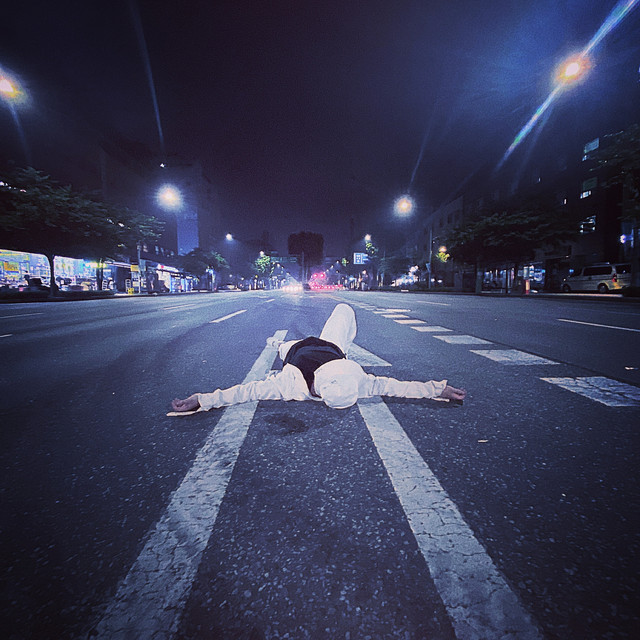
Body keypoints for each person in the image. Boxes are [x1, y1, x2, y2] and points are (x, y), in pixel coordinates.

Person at [171, 303, 466, 414]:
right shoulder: (360, 381)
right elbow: (398, 386)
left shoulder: (288, 385)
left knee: (280, 346)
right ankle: (282, 343)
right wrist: (438, 389)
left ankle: (275, 343)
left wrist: (202, 399)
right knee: (344, 308)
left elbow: (244, 392)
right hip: (332, 344)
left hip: (296, 350)